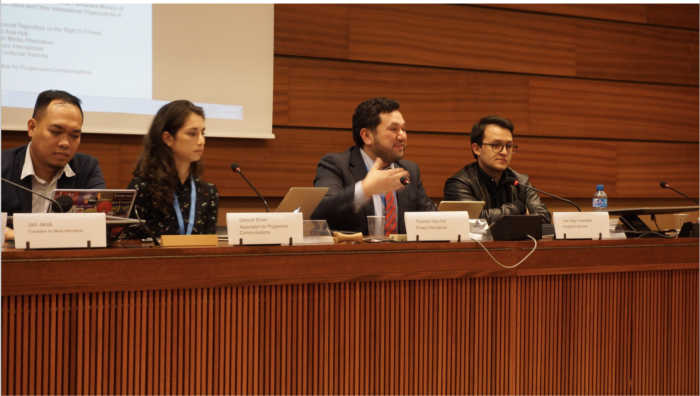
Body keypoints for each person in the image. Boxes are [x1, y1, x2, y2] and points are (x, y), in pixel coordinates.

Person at [311, 97, 436, 235]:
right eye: (394, 129)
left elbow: (431, 221)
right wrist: (364, 189)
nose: (402, 136)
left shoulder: (410, 170)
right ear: (367, 136)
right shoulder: (336, 165)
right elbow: (319, 212)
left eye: (404, 129)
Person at [2, 90, 106, 239]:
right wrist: (7, 233)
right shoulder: (3, 167)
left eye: (74, 136)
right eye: (55, 132)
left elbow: (100, 223)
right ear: (32, 127)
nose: (65, 143)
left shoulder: (87, 168)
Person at [127, 100, 219, 237]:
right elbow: (127, 246)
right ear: (168, 138)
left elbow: (210, 247)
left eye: (202, 133)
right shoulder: (142, 188)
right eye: (192, 134)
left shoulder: (207, 192)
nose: (202, 141)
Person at [443, 115, 551, 225]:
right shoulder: (460, 184)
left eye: (508, 146)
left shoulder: (521, 182)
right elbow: (474, 221)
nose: (504, 152)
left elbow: (543, 218)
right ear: (477, 149)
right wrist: (518, 207)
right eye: (496, 145)